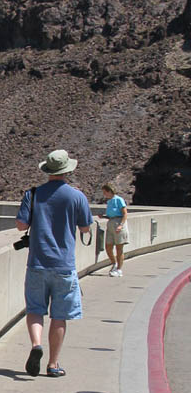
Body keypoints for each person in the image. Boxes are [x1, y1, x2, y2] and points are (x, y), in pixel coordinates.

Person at [16, 148, 93, 378]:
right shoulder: (77, 196)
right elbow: (85, 228)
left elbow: (21, 225)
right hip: (64, 266)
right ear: (67, 170)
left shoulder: (33, 194)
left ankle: (36, 344)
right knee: (59, 316)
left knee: (35, 310)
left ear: (48, 170)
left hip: (37, 263)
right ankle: (53, 364)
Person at [98, 182, 129, 277]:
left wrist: (121, 225)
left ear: (109, 191)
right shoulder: (109, 201)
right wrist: (104, 216)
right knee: (108, 247)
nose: (104, 195)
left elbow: (124, 214)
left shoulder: (119, 200)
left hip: (118, 224)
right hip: (111, 223)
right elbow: (112, 214)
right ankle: (114, 263)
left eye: (105, 192)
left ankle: (119, 269)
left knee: (119, 248)